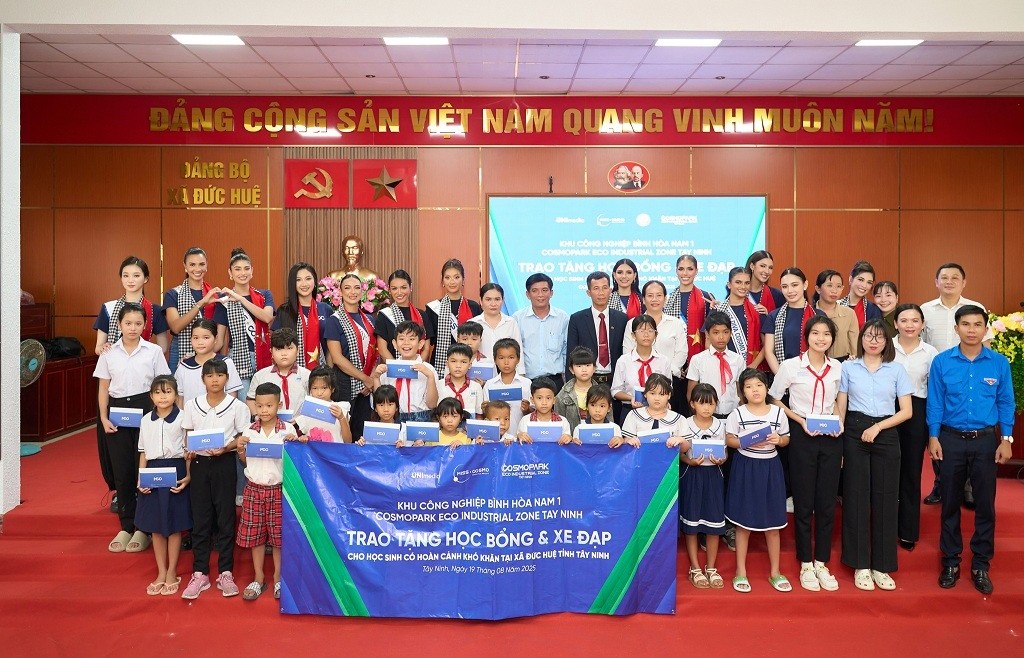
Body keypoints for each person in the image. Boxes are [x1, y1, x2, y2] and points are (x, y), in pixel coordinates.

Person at [927, 305, 1015, 595]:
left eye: (978, 324)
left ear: (985, 329)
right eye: (965, 324)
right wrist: (933, 436)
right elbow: (935, 403)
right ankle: (951, 561)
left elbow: (1006, 402)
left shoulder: (999, 363)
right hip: (950, 439)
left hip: (986, 441)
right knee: (950, 502)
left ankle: (980, 564)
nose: (972, 330)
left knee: (985, 504)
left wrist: (1006, 439)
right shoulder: (942, 362)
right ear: (956, 329)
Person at [835, 320, 913, 591]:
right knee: (856, 497)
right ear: (861, 339)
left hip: (886, 431)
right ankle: (859, 565)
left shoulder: (896, 369)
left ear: (887, 341)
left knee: (886, 498)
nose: (873, 341)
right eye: (869, 336)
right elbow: (841, 405)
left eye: (880, 337)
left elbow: (907, 411)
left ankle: (882, 565)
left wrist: (878, 427)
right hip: (854, 430)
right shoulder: (848, 367)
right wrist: (839, 437)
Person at [769, 316, 843, 592]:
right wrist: (799, 420)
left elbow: (838, 400)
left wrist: (840, 422)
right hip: (802, 435)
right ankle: (805, 563)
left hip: (831, 436)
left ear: (832, 339)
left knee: (826, 501)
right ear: (807, 336)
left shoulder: (838, 367)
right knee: (803, 500)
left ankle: (821, 561)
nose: (821, 338)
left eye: (826, 334)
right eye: (816, 333)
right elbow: (775, 398)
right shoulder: (791, 366)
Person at [94, 302, 172, 554]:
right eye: (128, 323)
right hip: (117, 414)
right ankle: (126, 526)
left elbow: (163, 385)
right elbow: (103, 388)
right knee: (122, 470)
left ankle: (144, 528)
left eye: (138, 323)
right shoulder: (109, 352)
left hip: (146, 409)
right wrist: (104, 418)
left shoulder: (153, 351)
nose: (133, 328)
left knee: (144, 469)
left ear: (145, 325)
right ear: (119, 324)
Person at [94, 256, 170, 508]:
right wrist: (107, 349)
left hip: (144, 387)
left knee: (145, 445)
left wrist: (144, 354)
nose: (131, 280)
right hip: (116, 380)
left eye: (136, 275)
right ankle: (121, 492)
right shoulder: (108, 307)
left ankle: (145, 491)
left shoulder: (154, 309)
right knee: (118, 450)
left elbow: (163, 346)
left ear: (146, 278)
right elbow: (98, 346)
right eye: (126, 275)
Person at [920, 263, 993, 507]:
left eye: (955, 277)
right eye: (944, 277)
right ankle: (941, 482)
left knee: (966, 430)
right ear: (936, 282)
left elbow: (987, 345)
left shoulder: (975, 308)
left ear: (964, 282)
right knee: (939, 431)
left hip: (970, 379)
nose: (949, 281)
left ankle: (968, 487)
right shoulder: (925, 310)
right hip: (937, 379)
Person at [180, 359, 251, 600]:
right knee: (201, 518)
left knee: (225, 518)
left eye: (219, 375)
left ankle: (225, 572)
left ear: (226, 378)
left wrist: (226, 447)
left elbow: (243, 437)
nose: (214, 380)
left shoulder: (237, 406)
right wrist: (189, 451)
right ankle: (199, 573)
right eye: (209, 376)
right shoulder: (192, 405)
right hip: (199, 464)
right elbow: (188, 434)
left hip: (224, 463)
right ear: (203, 379)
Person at [724, 368, 791, 593]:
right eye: (749, 386)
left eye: (759, 385)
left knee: (773, 525)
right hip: (745, 467)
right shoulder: (738, 413)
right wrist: (745, 441)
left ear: (766, 388)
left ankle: (775, 572)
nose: (755, 390)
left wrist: (779, 440)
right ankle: (740, 571)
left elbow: (786, 439)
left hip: (770, 468)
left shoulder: (778, 413)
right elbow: (730, 439)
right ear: (742, 391)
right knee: (743, 525)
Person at [236, 382, 300, 601]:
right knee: (255, 536)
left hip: (278, 489)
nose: (264, 410)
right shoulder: (249, 431)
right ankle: (259, 577)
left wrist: (293, 446)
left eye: (269, 405)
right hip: (254, 488)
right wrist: (240, 449)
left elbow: (293, 464)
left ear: (279, 405)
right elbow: (245, 461)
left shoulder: (288, 430)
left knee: (279, 537)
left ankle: (279, 578)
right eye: (260, 406)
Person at [134, 375, 191, 596]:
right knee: (156, 526)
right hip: (152, 472)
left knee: (174, 525)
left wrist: (188, 475)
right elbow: (143, 452)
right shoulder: (145, 420)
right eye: (157, 392)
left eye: (167, 392)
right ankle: (161, 572)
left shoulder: (183, 418)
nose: (163, 396)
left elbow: (188, 451)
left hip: (175, 470)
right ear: (151, 396)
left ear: (176, 395)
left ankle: (172, 572)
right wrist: (141, 478)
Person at [892, 303, 938, 552]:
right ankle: (885, 527)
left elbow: (935, 391)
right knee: (887, 471)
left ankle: (908, 530)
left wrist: (933, 430)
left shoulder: (931, 353)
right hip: (888, 410)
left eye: (915, 320)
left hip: (917, 411)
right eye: (904, 320)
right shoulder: (887, 347)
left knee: (911, 471)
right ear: (895, 323)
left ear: (922, 324)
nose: (909, 325)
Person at [672, 383, 727, 589]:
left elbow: (725, 452)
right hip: (692, 475)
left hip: (713, 476)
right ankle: (695, 567)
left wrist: (721, 459)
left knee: (714, 523)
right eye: (702, 403)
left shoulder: (720, 425)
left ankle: (711, 567)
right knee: (692, 523)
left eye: (711, 404)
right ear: (693, 404)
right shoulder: (684, 424)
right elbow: (678, 452)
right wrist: (689, 460)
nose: (707, 408)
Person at [213, 247, 275, 400]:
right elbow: (220, 341)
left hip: (264, 355)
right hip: (238, 359)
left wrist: (240, 299)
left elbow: (267, 317)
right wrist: (198, 356)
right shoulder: (224, 300)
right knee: (244, 406)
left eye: (246, 268)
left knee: (265, 403)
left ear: (252, 271)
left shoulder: (264, 295)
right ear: (230, 272)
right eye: (237, 269)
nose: (243, 273)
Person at [325, 273, 378, 439]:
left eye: (357, 288)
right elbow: (337, 358)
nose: (352, 292)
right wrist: (365, 378)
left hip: (367, 388)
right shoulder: (334, 320)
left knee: (362, 435)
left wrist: (371, 378)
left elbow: (375, 352)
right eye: (347, 288)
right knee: (344, 433)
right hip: (344, 384)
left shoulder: (370, 320)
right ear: (340, 292)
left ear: (362, 292)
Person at [163, 247, 221, 372]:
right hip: (180, 348)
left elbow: (221, 334)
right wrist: (201, 303)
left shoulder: (215, 295)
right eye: (192, 264)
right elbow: (175, 327)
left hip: (209, 348)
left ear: (206, 265)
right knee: (179, 383)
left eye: (201, 264)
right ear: (185, 266)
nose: (197, 269)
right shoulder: (173, 294)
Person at [566, 271, 627, 387]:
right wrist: (571, 386)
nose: (601, 293)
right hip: (587, 381)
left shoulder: (622, 319)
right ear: (588, 292)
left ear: (610, 290)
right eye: (596, 288)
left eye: (604, 288)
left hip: (616, 381)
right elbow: (571, 354)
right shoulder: (577, 319)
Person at [372, 321, 439, 422]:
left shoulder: (428, 369)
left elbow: (432, 404)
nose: (406, 343)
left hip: (421, 418)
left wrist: (430, 377)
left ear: (420, 344)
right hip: (393, 418)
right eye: (401, 339)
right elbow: (380, 400)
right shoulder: (387, 369)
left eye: (411, 339)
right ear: (395, 344)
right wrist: (376, 378)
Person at [425, 258, 482, 377]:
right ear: (442, 281)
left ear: (463, 280)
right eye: (447, 277)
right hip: (441, 364)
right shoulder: (433, 308)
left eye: (456, 277)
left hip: (469, 365)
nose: (452, 281)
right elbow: (428, 342)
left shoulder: (474, 307)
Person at [611, 314, 673, 424]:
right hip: (630, 411)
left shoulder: (664, 361)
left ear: (656, 334)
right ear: (633, 335)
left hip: (658, 412)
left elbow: (669, 389)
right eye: (641, 331)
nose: (646, 335)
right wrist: (631, 398)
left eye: (650, 331)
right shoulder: (624, 361)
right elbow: (615, 391)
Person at [512, 273, 569, 388]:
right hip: (527, 381)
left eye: (544, 290)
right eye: (535, 291)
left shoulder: (562, 318)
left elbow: (566, 350)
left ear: (551, 293)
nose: (540, 295)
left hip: (556, 381)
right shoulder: (517, 318)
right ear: (528, 294)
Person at [623, 281, 687, 382]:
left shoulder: (675, 323)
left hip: (669, 378)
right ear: (643, 300)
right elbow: (628, 351)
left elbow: (682, 351)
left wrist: (668, 370)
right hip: (638, 378)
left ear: (665, 299)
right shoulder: (632, 323)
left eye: (659, 295)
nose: (654, 299)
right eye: (650, 295)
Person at [272, 262, 332, 370]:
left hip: (320, 372)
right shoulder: (284, 311)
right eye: (298, 280)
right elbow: (276, 345)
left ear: (315, 281)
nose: (304, 284)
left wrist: (329, 372)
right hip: (290, 372)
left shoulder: (325, 309)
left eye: (308, 279)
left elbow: (331, 346)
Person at [687, 312, 744, 419]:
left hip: (733, 414)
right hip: (707, 415)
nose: (721, 337)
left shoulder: (738, 360)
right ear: (707, 334)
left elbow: (740, 391)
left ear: (731, 333)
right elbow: (691, 393)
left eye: (725, 332)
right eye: (716, 332)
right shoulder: (698, 360)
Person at [174, 319, 243, 405]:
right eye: (195, 338)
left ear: (216, 338)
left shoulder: (226, 363)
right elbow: (180, 399)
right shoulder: (184, 366)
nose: (200, 342)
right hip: (191, 413)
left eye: (206, 337)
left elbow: (232, 395)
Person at [762, 268, 816, 374]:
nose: (790, 291)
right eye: (785, 287)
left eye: (794, 285)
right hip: (783, 374)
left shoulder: (818, 315)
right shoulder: (774, 316)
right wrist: (782, 377)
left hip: (813, 375)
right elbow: (769, 352)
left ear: (805, 285)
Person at [247, 328, 310, 419]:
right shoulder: (260, 376)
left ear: (298, 351)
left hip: (300, 425)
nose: (284, 353)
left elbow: (314, 402)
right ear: (271, 352)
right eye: (278, 349)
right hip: (269, 424)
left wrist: (300, 420)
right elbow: (251, 399)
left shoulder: (307, 376)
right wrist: (257, 417)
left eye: (289, 348)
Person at [713, 267, 764, 369]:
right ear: (729, 284)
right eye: (738, 282)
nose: (743, 286)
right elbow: (709, 341)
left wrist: (754, 365)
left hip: (750, 367)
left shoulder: (758, 311)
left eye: (747, 283)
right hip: (721, 365)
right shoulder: (717, 310)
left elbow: (767, 344)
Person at [375, 269, 431, 362]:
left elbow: (426, 348)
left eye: (403, 287)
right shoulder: (384, 315)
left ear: (410, 287)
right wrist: (398, 368)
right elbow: (382, 349)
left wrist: (417, 366)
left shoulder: (422, 315)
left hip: (419, 368)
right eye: (394, 288)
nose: (399, 292)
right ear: (389, 290)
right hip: (393, 369)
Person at [621, 374, 689, 445]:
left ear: (669, 395)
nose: (657, 398)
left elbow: (686, 447)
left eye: (662, 394)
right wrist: (630, 440)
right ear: (645, 394)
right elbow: (626, 440)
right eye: (652, 393)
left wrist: (681, 440)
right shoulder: (634, 415)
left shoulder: (679, 419)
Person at [483, 337, 533, 432]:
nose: (506, 362)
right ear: (495, 360)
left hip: (522, 435)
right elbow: (487, 416)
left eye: (511, 357)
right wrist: (485, 409)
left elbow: (535, 414)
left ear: (518, 359)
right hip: (497, 437)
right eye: (501, 358)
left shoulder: (527, 384)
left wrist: (527, 409)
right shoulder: (489, 385)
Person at [295, 366, 353, 443]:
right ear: (310, 389)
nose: (319, 393)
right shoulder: (307, 409)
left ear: (333, 389)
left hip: (335, 450)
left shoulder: (340, 408)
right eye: (315, 388)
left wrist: (341, 417)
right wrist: (302, 438)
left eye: (324, 388)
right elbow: (299, 435)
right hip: (313, 451)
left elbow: (348, 441)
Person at [471, 283, 523, 367]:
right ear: (481, 300)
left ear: (503, 300)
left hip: (506, 372)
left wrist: (520, 373)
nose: (493, 304)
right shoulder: (472, 323)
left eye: (497, 299)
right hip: (479, 372)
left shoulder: (511, 322)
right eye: (488, 299)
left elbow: (518, 351)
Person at [812, 269, 859, 360]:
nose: (834, 290)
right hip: (815, 361)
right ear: (818, 289)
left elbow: (854, 346)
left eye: (838, 286)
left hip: (842, 361)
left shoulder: (849, 314)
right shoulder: (810, 313)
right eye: (829, 285)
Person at [554, 346, 597, 433]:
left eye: (588, 365)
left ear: (594, 368)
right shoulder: (563, 395)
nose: (584, 369)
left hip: (597, 437)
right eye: (579, 366)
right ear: (571, 369)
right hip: (570, 438)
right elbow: (558, 423)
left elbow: (609, 422)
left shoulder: (602, 393)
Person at [517, 377, 572, 444]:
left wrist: (568, 438)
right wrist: (520, 435)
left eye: (548, 398)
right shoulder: (525, 421)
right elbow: (520, 444)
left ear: (554, 400)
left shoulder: (563, 421)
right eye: (539, 398)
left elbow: (567, 443)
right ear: (532, 400)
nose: (544, 402)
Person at [437, 343, 483, 418]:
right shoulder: (438, 385)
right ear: (447, 364)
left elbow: (479, 415)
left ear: (470, 365)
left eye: (463, 362)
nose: (458, 366)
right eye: (453, 361)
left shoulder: (476, 387)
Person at [839, 261, 882, 329]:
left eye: (869, 282)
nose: (864, 285)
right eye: (861, 280)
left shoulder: (873, 310)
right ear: (851, 279)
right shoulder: (837, 305)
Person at [745, 250, 785, 315]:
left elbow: (782, 319)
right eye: (762, 266)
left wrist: (769, 316)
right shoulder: (739, 292)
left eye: (770, 268)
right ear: (752, 266)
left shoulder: (777, 295)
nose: (767, 271)